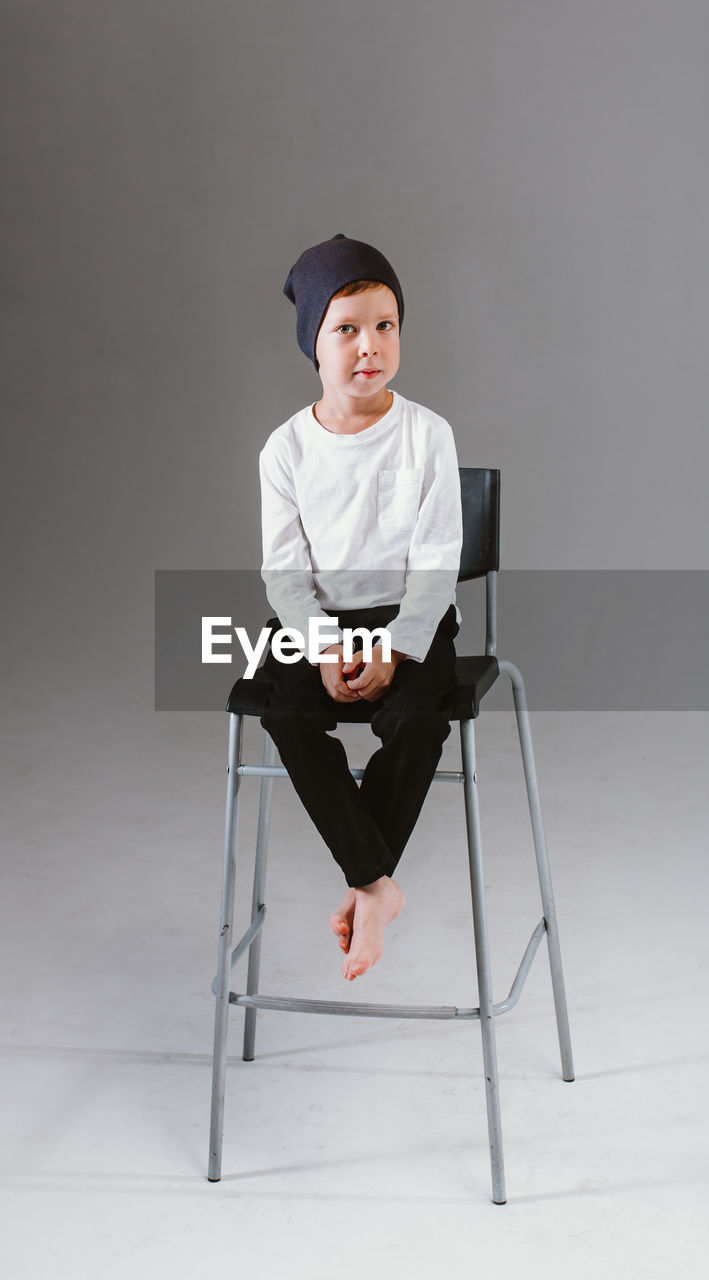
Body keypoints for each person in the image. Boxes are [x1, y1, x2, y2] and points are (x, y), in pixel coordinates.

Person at [258, 233, 463, 982]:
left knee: (418, 720)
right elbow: (284, 575)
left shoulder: (426, 434)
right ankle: (376, 886)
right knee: (282, 713)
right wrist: (321, 647)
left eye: (385, 326)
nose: (368, 346)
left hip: (409, 618)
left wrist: (393, 648)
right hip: (316, 624)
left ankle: (364, 879)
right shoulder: (285, 450)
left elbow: (437, 561)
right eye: (345, 329)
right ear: (314, 343)